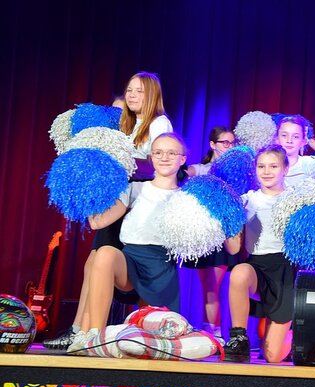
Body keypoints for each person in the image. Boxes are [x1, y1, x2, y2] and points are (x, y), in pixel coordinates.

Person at [44, 74, 173, 350]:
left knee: (99, 261)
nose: (132, 95)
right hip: (118, 196)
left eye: (139, 91)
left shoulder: (159, 123)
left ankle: (89, 332)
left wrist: (116, 160)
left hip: (135, 202)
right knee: (92, 261)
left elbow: (158, 163)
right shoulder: (128, 122)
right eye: (129, 90)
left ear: (152, 95)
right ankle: (79, 329)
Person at [67, 132, 187, 355]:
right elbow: (98, 222)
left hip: (161, 267)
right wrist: (90, 187)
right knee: (104, 253)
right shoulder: (134, 188)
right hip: (131, 260)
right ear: (151, 157)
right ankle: (94, 335)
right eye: (158, 152)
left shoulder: (188, 197)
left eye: (172, 153)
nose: (164, 157)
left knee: (153, 345)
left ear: (182, 158)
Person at [221, 145, 300, 363]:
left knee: (272, 357)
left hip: (286, 272)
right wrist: (228, 221)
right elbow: (233, 249)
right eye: (261, 166)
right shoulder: (246, 200)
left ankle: (297, 335)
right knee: (238, 273)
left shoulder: (297, 200)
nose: (266, 171)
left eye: (273, 166)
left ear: (285, 168)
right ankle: (239, 338)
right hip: (257, 268)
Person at [184, 126, 238, 342]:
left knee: (214, 287)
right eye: (225, 142)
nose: (229, 146)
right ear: (213, 144)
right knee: (207, 287)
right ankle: (210, 332)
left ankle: (217, 334)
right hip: (204, 235)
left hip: (224, 236)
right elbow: (185, 173)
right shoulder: (201, 169)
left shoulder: (236, 172)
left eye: (232, 143)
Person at [275, 115, 315, 187]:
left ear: (303, 141)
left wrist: (309, 140)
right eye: (284, 135)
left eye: (296, 137)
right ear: (277, 139)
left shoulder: (309, 164)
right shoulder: (266, 163)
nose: (289, 141)